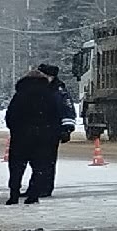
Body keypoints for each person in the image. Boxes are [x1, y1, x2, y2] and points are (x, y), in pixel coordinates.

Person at [4, 68, 62, 204]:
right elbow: (56, 116)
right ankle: (33, 195)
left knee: (16, 167)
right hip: (42, 138)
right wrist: (51, 133)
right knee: (39, 167)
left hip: (21, 137)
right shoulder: (49, 95)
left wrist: (16, 130)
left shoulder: (20, 95)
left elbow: (10, 116)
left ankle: (14, 194)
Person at [32, 63, 73, 199]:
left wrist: (67, 129)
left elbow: (67, 110)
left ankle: (45, 188)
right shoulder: (37, 88)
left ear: (50, 76)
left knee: (47, 161)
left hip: (51, 131)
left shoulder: (58, 90)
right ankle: (34, 187)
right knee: (36, 161)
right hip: (36, 130)